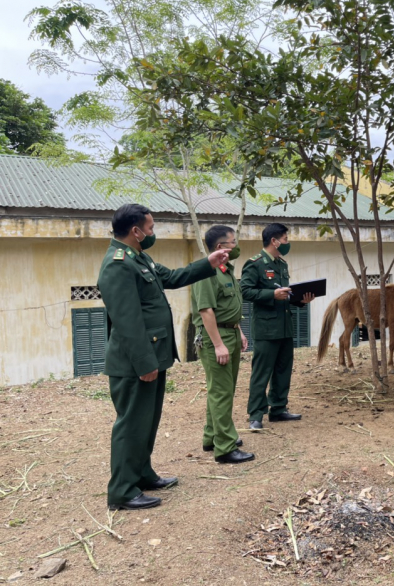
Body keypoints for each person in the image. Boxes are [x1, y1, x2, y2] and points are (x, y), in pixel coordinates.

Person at [97, 204, 230, 511]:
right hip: (135, 361)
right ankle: (121, 490)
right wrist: (145, 364)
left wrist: (207, 263)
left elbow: (171, 277)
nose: (153, 232)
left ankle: (141, 474)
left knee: (147, 421)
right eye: (151, 227)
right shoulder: (117, 264)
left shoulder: (139, 257)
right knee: (131, 424)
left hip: (153, 356)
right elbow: (127, 322)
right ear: (136, 231)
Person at [190, 225, 254, 464]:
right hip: (214, 337)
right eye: (233, 242)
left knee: (221, 389)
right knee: (221, 392)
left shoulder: (225, 271)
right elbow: (206, 310)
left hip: (231, 333)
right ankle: (225, 448)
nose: (237, 246)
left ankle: (212, 436)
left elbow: (228, 307)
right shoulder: (206, 272)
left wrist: (239, 332)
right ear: (220, 247)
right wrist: (218, 344)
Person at [241, 223, 314, 429]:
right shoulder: (254, 264)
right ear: (274, 241)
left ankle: (278, 409)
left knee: (283, 369)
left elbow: (284, 296)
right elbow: (245, 291)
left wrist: (301, 300)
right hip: (266, 329)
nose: (287, 243)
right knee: (261, 372)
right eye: (285, 239)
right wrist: (271, 294)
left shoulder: (282, 264)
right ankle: (256, 414)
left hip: (284, 327)